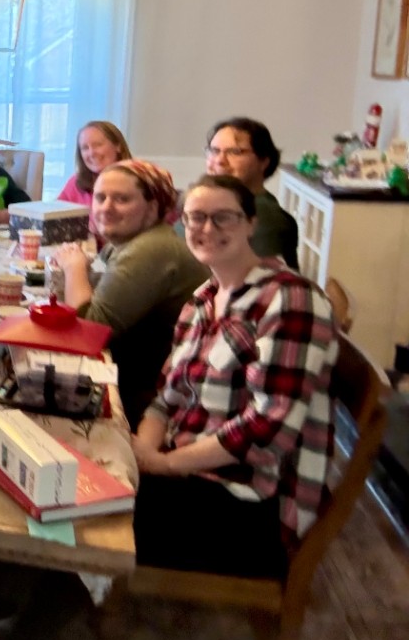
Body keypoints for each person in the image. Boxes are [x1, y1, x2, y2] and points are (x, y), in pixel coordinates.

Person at [132, 175, 338, 577]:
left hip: (249, 505)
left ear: (251, 224)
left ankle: (35, 617)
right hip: (189, 473)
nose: (206, 229)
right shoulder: (203, 300)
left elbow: (268, 425)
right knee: (83, 478)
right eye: (195, 218)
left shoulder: (291, 299)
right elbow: (164, 399)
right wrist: (143, 456)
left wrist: (164, 466)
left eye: (223, 218)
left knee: (85, 511)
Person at [54, 160, 208, 428]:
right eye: (100, 198)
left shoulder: (151, 249)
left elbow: (89, 329)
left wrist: (73, 267)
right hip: (130, 377)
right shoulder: (123, 242)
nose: (106, 208)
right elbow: (91, 288)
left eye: (122, 199)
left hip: (150, 402)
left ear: (153, 207)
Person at [195, 117, 299, 269]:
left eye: (235, 152)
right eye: (214, 151)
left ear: (264, 161)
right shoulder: (218, 205)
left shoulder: (264, 215)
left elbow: (259, 283)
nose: (219, 160)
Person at [57, 120, 131, 207]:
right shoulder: (76, 182)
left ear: (118, 146)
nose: (91, 153)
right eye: (85, 148)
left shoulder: (137, 183)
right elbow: (53, 216)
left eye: (97, 145)